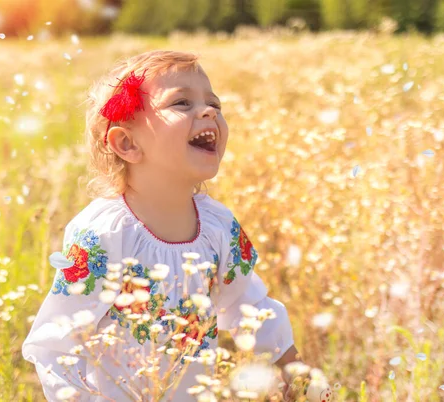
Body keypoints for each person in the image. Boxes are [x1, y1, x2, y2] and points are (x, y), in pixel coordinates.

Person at [22, 50, 301, 401]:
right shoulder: (104, 233)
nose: (209, 111)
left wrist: (294, 369)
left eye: (214, 104)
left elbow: (248, 303)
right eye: (182, 103)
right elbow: (56, 344)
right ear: (127, 143)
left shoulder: (218, 226)